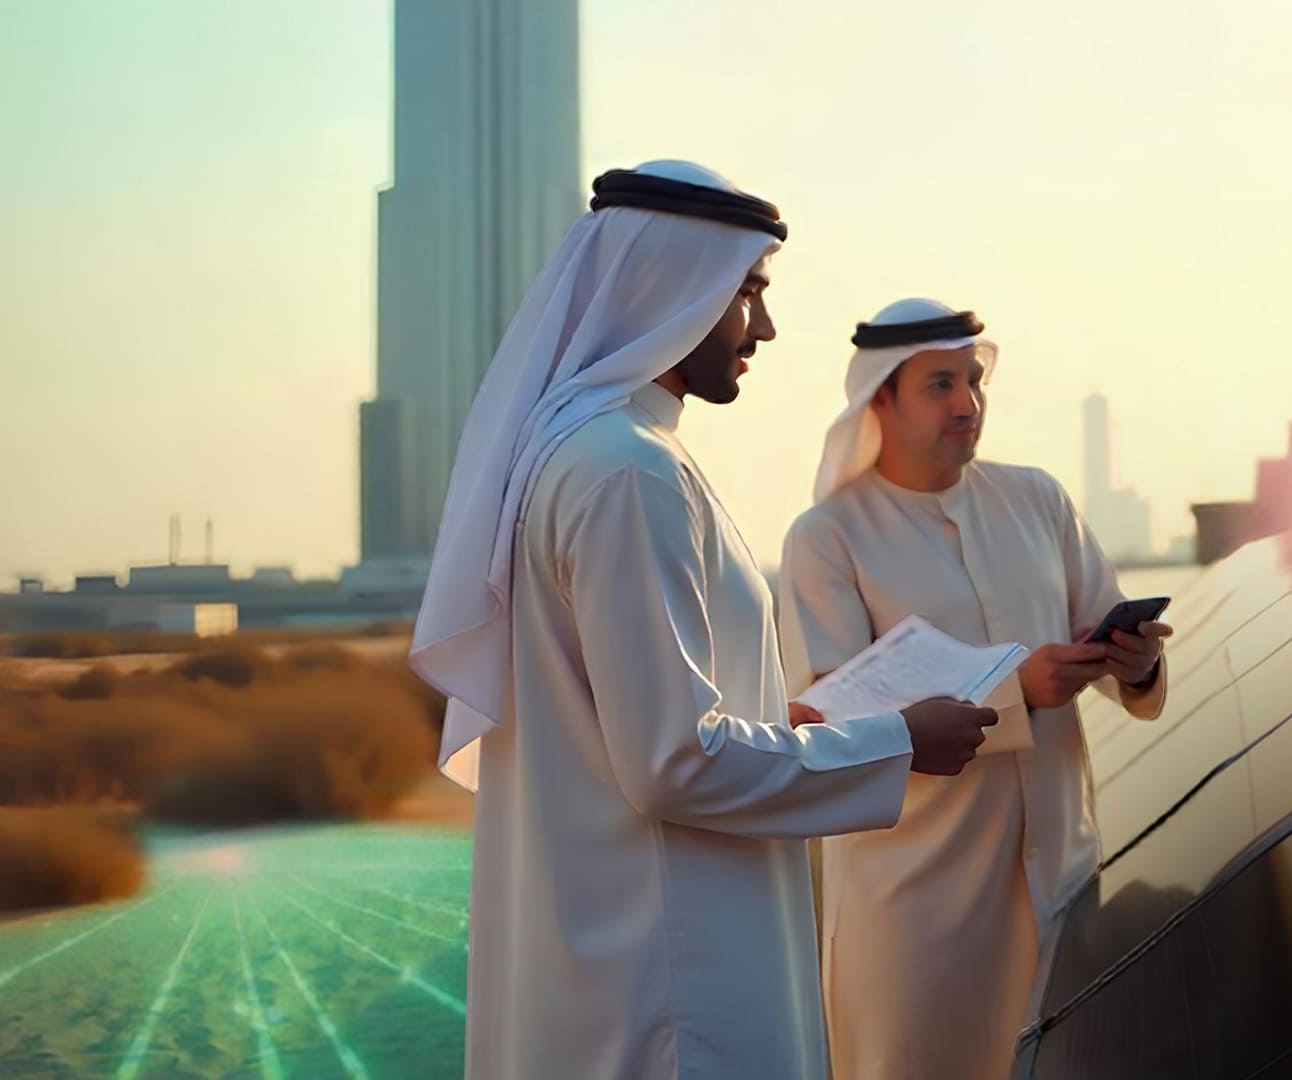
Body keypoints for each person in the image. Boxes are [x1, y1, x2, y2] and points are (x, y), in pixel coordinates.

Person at [408, 166, 999, 1080]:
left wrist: (778, 723)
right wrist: (897, 742)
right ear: (672, 289)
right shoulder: (625, 470)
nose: (762, 327)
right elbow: (673, 762)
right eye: (748, 294)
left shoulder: (601, 452)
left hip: (639, 946)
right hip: (673, 979)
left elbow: (646, 718)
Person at [777, 298, 1172, 1080]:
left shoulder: (1039, 501)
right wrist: (1014, 691)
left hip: (1062, 885)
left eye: (974, 382)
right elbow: (827, 724)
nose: (967, 404)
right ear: (877, 399)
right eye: (940, 385)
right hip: (915, 914)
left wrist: (1134, 665)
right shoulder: (826, 538)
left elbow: (1123, 655)